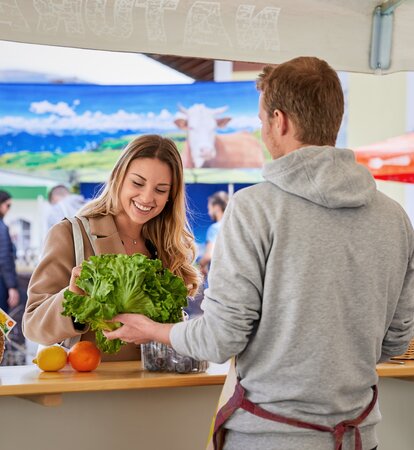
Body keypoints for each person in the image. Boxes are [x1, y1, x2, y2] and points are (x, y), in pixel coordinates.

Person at [103, 57, 414, 450]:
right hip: (358, 438)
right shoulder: (395, 218)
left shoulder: (254, 208)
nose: (262, 129)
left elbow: (220, 339)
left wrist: (151, 330)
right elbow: (396, 343)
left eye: (262, 119)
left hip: (268, 439)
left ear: (279, 121)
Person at [23, 135, 200, 362]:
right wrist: (74, 299)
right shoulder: (70, 233)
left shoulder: (167, 246)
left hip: (155, 387)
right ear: (118, 178)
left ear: (170, 197)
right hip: (91, 390)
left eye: (161, 189)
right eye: (137, 183)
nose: (147, 197)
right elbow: (33, 325)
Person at [199, 191, 229, 277]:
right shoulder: (232, 226)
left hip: (219, 277)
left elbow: (208, 255)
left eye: (209, 209)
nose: (209, 212)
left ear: (216, 208)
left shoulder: (215, 228)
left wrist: (198, 266)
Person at [0, 190, 19, 314]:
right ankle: (2, 334)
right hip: (1, 282)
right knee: (2, 319)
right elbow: (4, 258)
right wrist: (12, 286)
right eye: (8, 205)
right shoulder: (1, 227)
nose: (9, 209)